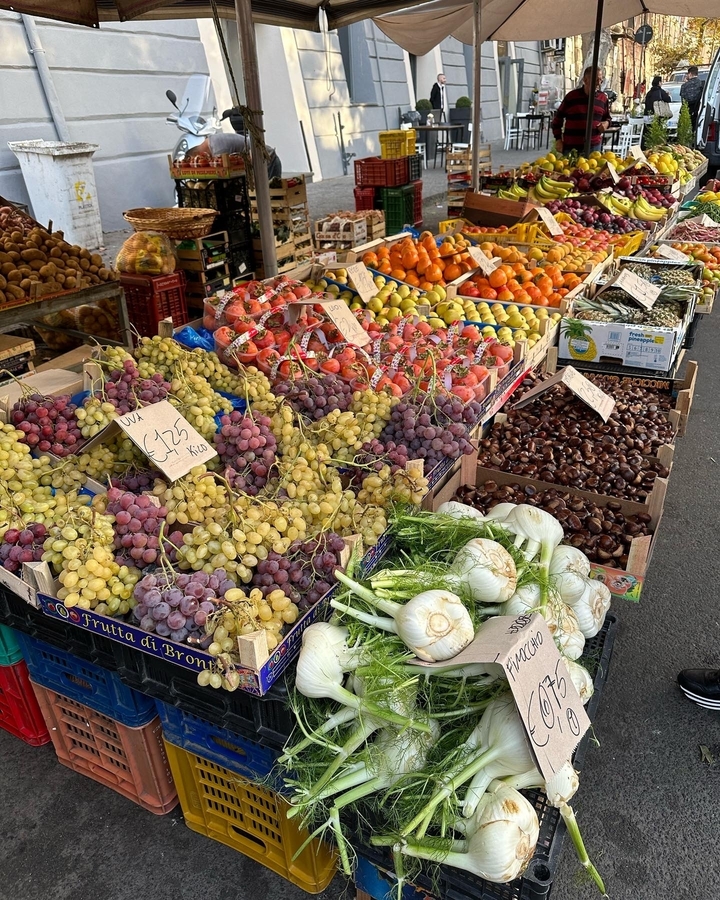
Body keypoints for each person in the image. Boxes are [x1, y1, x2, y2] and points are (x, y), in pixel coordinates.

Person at [187, 108, 282, 180]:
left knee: (271, 198)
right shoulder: (212, 141)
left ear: (198, 155)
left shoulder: (218, 150)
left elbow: (225, 173)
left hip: (269, 162)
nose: (199, 164)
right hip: (266, 160)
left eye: (197, 161)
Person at [552, 66, 611, 154]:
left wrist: (606, 124)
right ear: (585, 80)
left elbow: (608, 119)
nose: (598, 83)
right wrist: (558, 140)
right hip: (571, 148)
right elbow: (556, 121)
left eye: (600, 80)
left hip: (594, 147)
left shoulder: (603, 98)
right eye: (595, 80)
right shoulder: (571, 97)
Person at [680, 65, 704, 133]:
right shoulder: (702, 84)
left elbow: (683, 101)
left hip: (688, 111)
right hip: (699, 110)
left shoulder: (684, 86)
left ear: (690, 74)